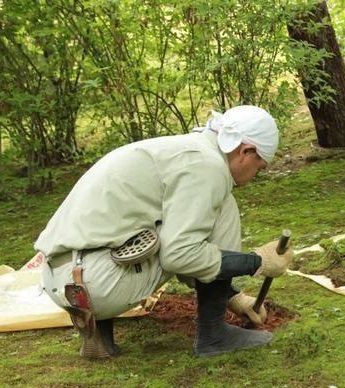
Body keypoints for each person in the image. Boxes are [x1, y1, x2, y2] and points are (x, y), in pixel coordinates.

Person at [34, 105, 294, 359]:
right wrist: (258, 261)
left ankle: (101, 329)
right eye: (259, 168)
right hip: (96, 284)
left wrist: (234, 298)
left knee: (142, 228)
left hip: (61, 280)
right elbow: (180, 256)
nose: (254, 176)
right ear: (245, 151)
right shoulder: (209, 166)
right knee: (222, 209)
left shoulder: (179, 150)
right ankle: (214, 335)